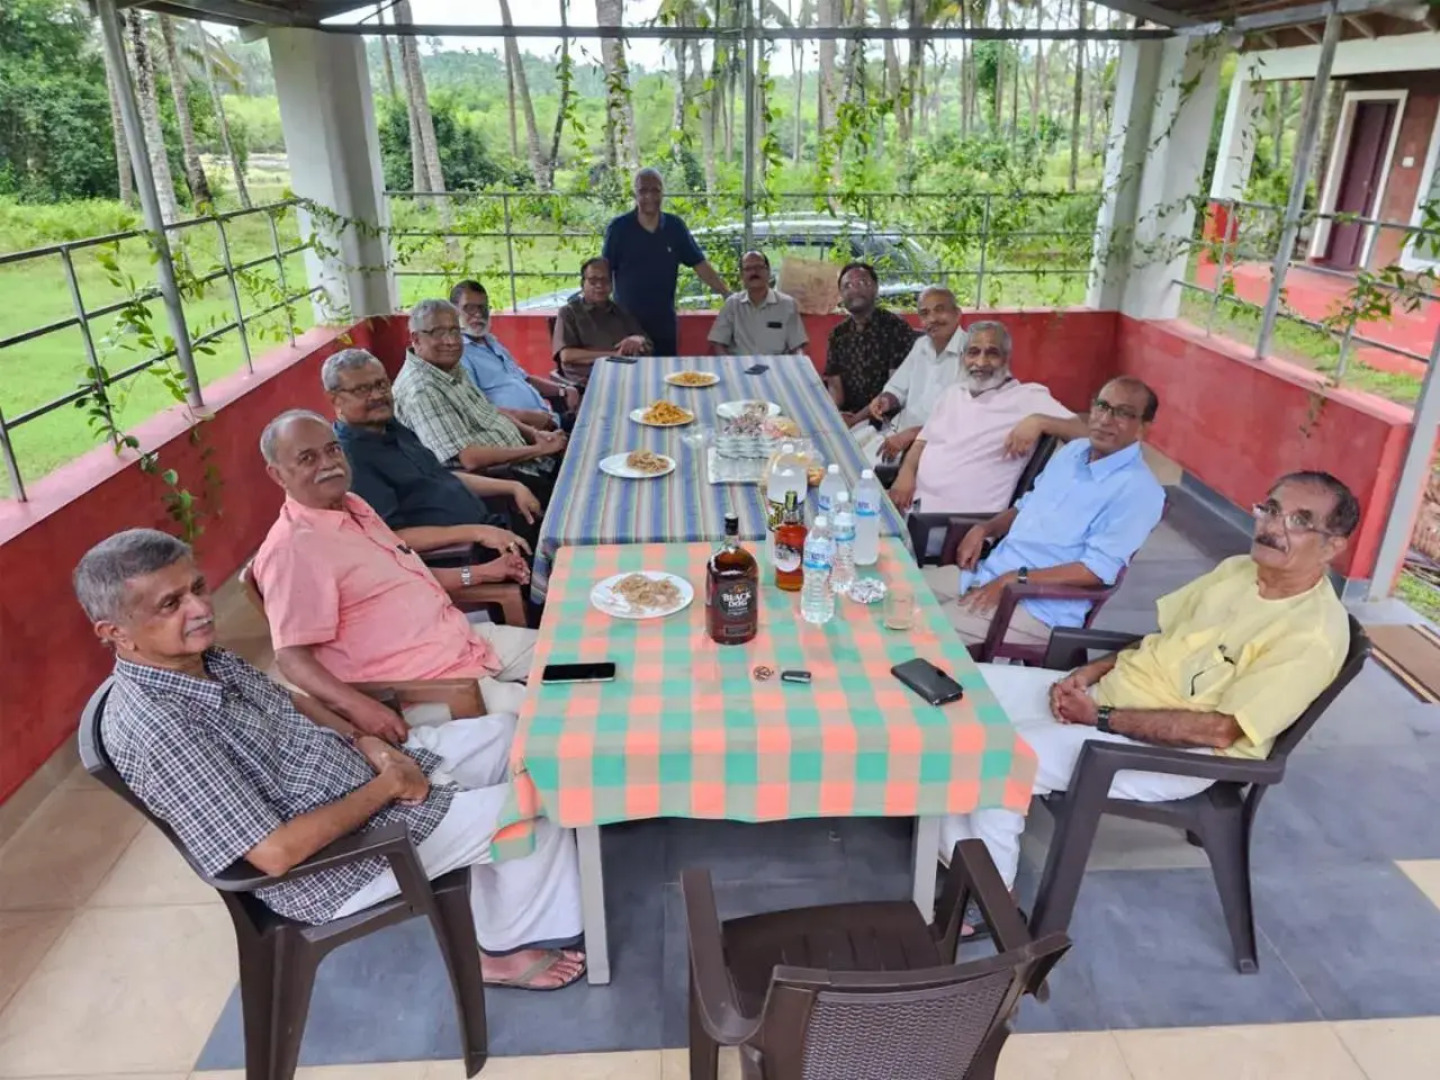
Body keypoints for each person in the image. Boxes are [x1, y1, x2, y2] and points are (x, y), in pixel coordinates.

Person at [74, 528, 585, 989]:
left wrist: (365, 741)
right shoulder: (160, 728)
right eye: (171, 604)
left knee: (509, 735)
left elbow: (289, 700)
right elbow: (276, 854)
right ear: (113, 632)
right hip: (337, 862)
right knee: (542, 801)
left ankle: (495, 896)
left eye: (198, 588)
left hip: (355, 777)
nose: (200, 609)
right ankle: (505, 951)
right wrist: (388, 785)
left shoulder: (199, 658)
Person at [941, 471, 1358, 889]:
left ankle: (986, 896)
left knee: (1001, 756)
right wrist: (1089, 672)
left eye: (1299, 522)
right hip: (1107, 700)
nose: (1272, 527)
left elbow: (1219, 731)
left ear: (1333, 546)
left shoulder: (1312, 634)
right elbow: (1160, 641)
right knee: (955, 690)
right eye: (1271, 510)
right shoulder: (1238, 571)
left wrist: (1101, 717)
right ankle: (956, 857)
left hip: (1176, 752)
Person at [252, 410, 536, 727]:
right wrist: (359, 709)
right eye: (307, 458)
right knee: (556, 712)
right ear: (277, 475)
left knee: (569, 656)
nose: (328, 463)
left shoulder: (354, 505)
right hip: (427, 684)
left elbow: (408, 576)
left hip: (460, 639)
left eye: (332, 449)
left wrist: (483, 572)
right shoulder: (291, 550)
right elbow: (291, 658)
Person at [924, 377, 1165, 650]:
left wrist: (1014, 579)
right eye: (1102, 406)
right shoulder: (1074, 452)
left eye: (1123, 413)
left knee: (918, 633)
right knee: (894, 595)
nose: (1105, 419)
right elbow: (1025, 506)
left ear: (1144, 427)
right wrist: (985, 529)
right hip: (987, 574)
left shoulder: (1139, 490)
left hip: (1037, 607)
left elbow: (1095, 571)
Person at [324, 348, 543, 553]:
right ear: (335, 399)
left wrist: (513, 487)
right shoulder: (352, 459)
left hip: (490, 525)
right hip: (462, 555)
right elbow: (393, 537)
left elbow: (441, 476)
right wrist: (478, 533)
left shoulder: (391, 426)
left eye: (381, 384)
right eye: (362, 390)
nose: (377, 395)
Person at [889, 321, 1087, 514]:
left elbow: (1086, 432)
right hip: (910, 506)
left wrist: (1040, 421)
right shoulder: (953, 393)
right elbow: (922, 442)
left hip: (953, 524)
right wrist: (905, 474)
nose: (981, 362)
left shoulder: (1028, 397)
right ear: (963, 357)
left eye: (992, 353)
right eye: (973, 352)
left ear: (1006, 359)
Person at [394, 299, 566, 504]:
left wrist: (535, 434)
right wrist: (538, 449)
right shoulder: (422, 390)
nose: (451, 341)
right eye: (438, 333)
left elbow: (490, 411)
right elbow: (470, 459)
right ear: (416, 338)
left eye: (455, 331)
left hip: (529, 461)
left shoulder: (449, 367)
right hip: (502, 482)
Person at [601, 167, 732, 355]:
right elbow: (604, 271)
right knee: (627, 370)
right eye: (643, 191)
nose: (649, 196)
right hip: (627, 323)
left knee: (666, 370)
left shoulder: (675, 227)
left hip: (664, 322)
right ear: (635, 193)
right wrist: (601, 313)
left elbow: (699, 264)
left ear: (663, 192)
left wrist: (726, 293)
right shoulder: (618, 228)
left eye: (655, 190)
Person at [850, 286, 964, 466]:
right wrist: (886, 400)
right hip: (896, 433)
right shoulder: (922, 345)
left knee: (857, 468)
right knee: (842, 450)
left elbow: (964, 420)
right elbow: (897, 388)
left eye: (939, 310)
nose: (932, 319)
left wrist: (915, 434)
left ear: (957, 314)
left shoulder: (973, 354)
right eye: (925, 313)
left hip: (932, 446)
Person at [450, 280, 576, 433]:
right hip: (523, 432)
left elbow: (524, 379)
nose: (478, 314)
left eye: (482, 307)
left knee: (595, 417)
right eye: (469, 308)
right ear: (454, 312)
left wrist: (563, 390)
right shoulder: (460, 354)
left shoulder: (491, 342)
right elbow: (480, 409)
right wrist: (532, 419)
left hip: (549, 420)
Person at [824, 262, 919, 425]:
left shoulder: (896, 328)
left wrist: (855, 420)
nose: (854, 290)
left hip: (886, 419)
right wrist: (833, 414)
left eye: (862, 282)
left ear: (876, 288)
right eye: (847, 286)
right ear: (841, 294)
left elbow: (896, 389)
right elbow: (835, 387)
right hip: (848, 416)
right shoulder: (838, 334)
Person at [551, 257, 653, 386]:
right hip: (587, 382)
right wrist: (614, 356)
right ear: (582, 283)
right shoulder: (569, 313)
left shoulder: (620, 311)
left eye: (605, 280)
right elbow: (567, 355)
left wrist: (639, 340)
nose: (599, 286)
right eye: (593, 281)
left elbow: (648, 345)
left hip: (625, 376)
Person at [707, 250, 808, 356]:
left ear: (768, 271)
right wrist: (729, 363)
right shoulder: (732, 304)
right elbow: (718, 343)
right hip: (741, 363)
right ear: (741, 275)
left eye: (759, 267)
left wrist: (799, 362)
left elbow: (797, 346)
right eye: (748, 269)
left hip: (776, 364)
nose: (754, 272)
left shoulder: (787, 304)